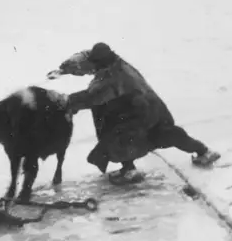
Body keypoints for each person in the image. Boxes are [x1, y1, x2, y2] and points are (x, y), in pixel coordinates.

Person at [48, 43, 221, 184]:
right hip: (153, 107)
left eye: (95, 64)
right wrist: (65, 69)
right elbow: (86, 57)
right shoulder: (117, 61)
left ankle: (129, 171)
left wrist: (64, 101)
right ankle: (204, 152)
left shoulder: (111, 79)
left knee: (117, 139)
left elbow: (90, 98)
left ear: (100, 64)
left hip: (135, 115)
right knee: (168, 134)